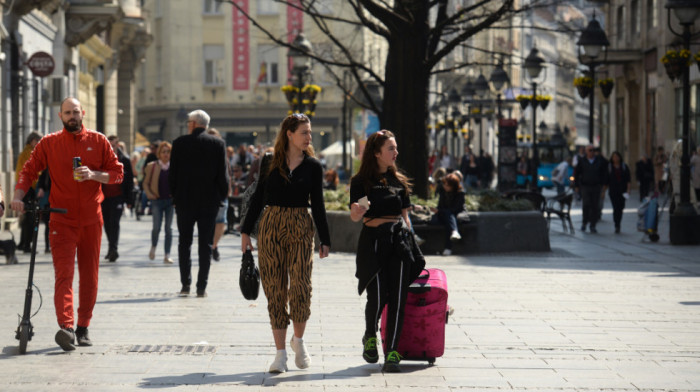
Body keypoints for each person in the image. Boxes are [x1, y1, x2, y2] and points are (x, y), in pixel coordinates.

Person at [11, 97, 124, 351]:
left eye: (76, 112)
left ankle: (83, 327)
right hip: (61, 219)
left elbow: (118, 174)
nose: (72, 116)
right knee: (64, 275)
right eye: (67, 113)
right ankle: (66, 327)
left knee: (89, 276)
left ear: (83, 113)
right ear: (60, 116)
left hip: (91, 220)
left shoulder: (98, 141)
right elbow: (29, 171)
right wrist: (18, 196)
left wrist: (93, 174)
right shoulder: (49, 143)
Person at [240, 113, 330, 373]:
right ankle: (280, 354)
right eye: (304, 132)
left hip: (301, 225)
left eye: (310, 133)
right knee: (275, 289)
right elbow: (257, 199)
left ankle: (298, 341)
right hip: (271, 225)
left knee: (301, 285)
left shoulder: (313, 166)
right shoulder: (269, 161)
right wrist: (246, 232)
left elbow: (319, 205)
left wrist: (325, 239)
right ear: (289, 134)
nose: (309, 137)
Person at [349, 129, 424, 373]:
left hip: (398, 242)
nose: (396, 152)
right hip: (373, 242)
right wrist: (358, 211)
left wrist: (411, 241)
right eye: (391, 148)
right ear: (377, 152)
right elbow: (354, 214)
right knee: (378, 296)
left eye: (395, 147)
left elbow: (406, 217)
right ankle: (370, 334)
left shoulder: (399, 182)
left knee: (399, 298)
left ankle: (392, 351)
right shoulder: (360, 182)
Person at [169, 110, 228, 298]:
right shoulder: (218, 144)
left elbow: (173, 176)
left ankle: (185, 284)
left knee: (184, 243)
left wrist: (175, 198)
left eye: (188, 122)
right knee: (206, 244)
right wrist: (221, 197)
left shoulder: (179, 143)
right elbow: (223, 176)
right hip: (209, 203)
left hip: (185, 202)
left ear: (193, 124)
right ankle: (201, 286)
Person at [101, 135, 134, 262]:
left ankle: (113, 248)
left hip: (118, 197)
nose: (111, 148)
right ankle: (111, 248)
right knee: (107, 224)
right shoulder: (101, 159)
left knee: (114, 222)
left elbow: (129, 180)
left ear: (117, 145)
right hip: (103, 197)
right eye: (109, 145)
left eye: (113, 145)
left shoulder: (124, 160)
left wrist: (129, 200)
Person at [143, 141, 174, 264]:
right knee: (156, 227)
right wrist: (150, 194)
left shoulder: (175, 166)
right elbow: (145, 183)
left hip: (170, 201)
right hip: (157, 201)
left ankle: (167, 254)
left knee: (169, 229)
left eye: (168, 152)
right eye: (163, 152)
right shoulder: (152, 166)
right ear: (159, 153)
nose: (166, 154)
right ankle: (153, 247)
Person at [15, 131, 43, 253]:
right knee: (30, 217)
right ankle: (26, 245)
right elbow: (31, 171)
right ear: (31, 140)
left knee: (27, 216)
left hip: (28, 187)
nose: (38, 143)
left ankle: (23, 243)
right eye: (37, 140)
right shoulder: (29, 152)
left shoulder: (27, 151)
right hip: (28, 188)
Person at [206, 128, 230, 262]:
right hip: (207, 194)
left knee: (221, 222)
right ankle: (209, 245)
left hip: (221, 193)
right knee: (208, 222)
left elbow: (228, 173)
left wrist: (228, 188)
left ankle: (214, 246)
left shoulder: (223, 153)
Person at [573, 145, 608, 233]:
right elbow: (576, 174)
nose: (592, 152)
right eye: (590, 150)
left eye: (593, 150)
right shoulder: (582, 161)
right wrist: (576, 186)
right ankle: (584, 222)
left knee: (595, 206)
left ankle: (593, 224)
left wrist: (604, 186)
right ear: (586, 151)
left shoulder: (599, 161)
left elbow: (605, 173)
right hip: (585, 186)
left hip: (596, 186)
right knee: (586, 205)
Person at [429, 172, 465, 256]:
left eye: (447, 185)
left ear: (453, 186)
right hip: (444, 215)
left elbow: (456, 209)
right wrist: (438, 211)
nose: (445, 186)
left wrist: (440, 211)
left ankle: (448, 246)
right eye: (444, 184)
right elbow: (441, 206)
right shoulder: (442, 191)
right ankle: (454, 232)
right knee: (448, 216)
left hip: (454, 215)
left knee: (449, 216)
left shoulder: (460, 194)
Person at [607, 151, 631, 234]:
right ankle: (616, 224)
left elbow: (628, 180)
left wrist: (628, 190)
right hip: (613, 191)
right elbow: (606, 180)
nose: (615, 158)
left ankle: (618, 222)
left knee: (621, 207)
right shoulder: (609, 167)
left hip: (623, 191)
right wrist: (603, 190)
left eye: (617, 157)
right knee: (615, 207)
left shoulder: (624, 167)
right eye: (614, 157)